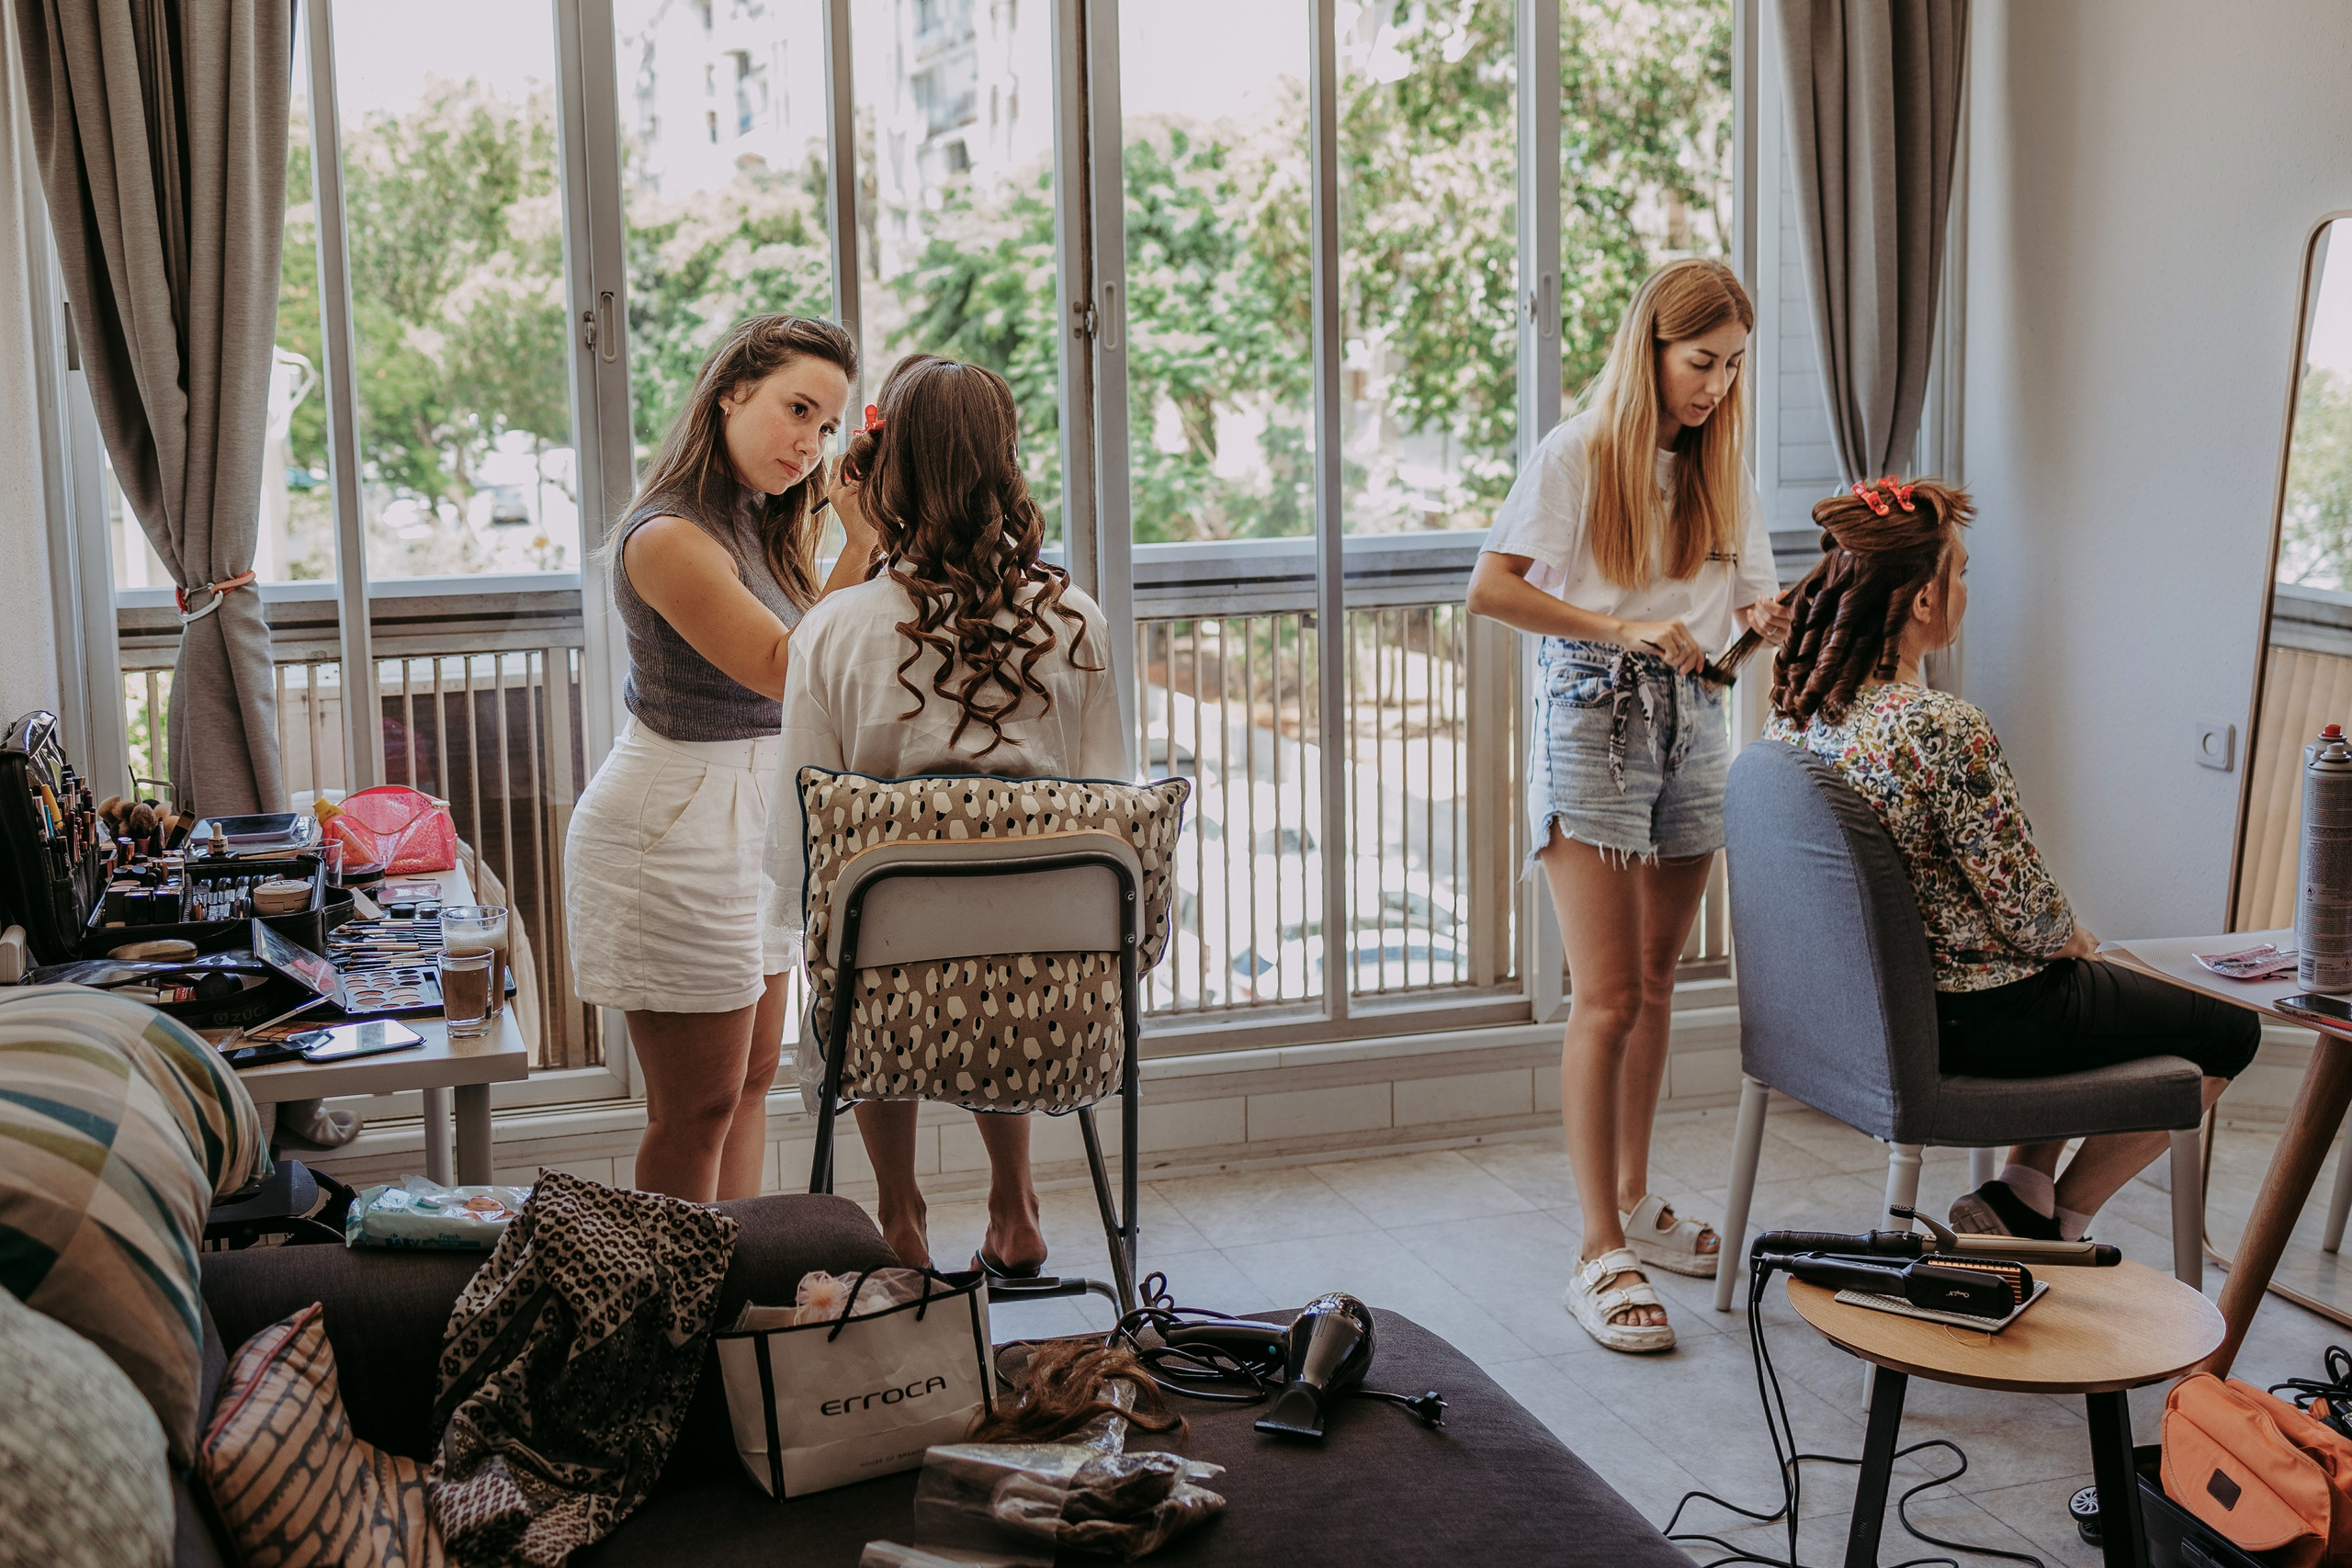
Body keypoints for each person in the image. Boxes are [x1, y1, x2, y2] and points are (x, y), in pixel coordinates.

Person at [1765, 476, 2257, 1242]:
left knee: (2085, 979)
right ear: (1923, 600)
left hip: (1855, 1016)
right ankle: (2064, 1220)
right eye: (1958, 572)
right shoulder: (1941, 725)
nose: (1963, 588)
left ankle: (2022, 1192)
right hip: (1972, 1020)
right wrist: (2074, 936)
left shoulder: (1798, 720)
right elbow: (2031, 916)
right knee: (2227, 1027)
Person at [1465, 257, 1788, 1353]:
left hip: (1698, 722)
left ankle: (1638, 1202)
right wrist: (1622, 630)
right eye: (1703, 362)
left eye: (1734, 367)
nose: (1717, 387)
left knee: (1656, 986)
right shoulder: (1577, 453)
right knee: (1603, 996)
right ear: (1651, 347)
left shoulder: (1721, 470)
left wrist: (1765, 626)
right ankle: (1594, 1246)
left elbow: (1735, 625)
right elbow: (1494, 587)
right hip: (1592, 715)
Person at [763, 354, 1125, 1275]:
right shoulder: (1074, 622)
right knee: (1000, 928)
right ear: (1006, 464)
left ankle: (898, 1216)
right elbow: (1110, 802)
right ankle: (1016, 1206)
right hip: (1052, 1000)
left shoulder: (836, 631)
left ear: (885, 473)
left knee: (863, 927)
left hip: (888, 1009)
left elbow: (804, 842)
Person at [564, 315, 876, 1203]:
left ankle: (731, 1309)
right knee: (695, 1107)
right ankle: (677, 1321)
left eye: (826, 426)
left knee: (749, 1086)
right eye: (797, 408)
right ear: (731, 390)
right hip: (671, 828)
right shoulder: (667, 534)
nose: (810, 443)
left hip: (752, 821)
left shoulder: (760, 525)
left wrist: (852, 538)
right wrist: (856, 545)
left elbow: (824, 644)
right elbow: (792, 670)